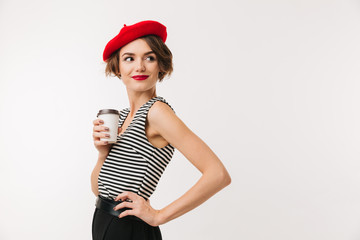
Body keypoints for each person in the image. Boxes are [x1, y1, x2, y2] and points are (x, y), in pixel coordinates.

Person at [91, 20, 231, 240]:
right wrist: (102, 154)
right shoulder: (125, 115)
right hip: (105, 223)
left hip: (129, 230)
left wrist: (159, 216)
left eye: (149, 57)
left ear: (161, 65)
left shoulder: (156, 112)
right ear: (118, 67)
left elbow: (218, 174)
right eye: (129, 58)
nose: (139, 67)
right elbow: (100, 191)